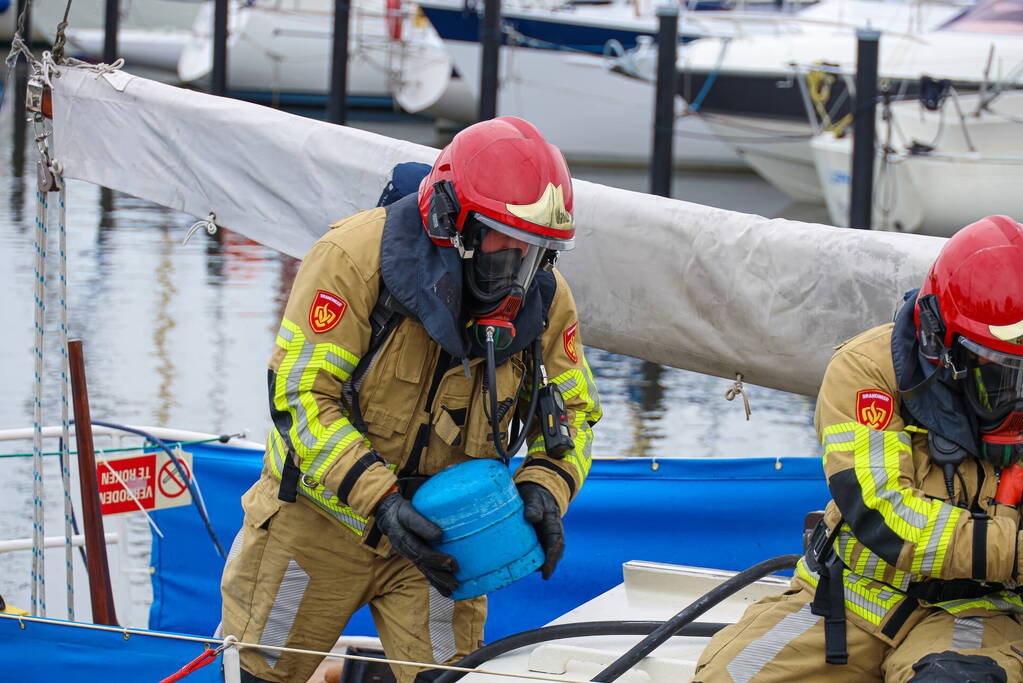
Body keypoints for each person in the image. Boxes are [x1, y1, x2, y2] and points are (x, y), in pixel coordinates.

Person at [219, 116, 601, 683]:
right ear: (453, 223)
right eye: (506, 243)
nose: (521, 269)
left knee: (448, 679)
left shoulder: (545, 300)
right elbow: (301, 397)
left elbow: (575, 416)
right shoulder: (352, 258)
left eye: (539, 251)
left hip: (445, 544)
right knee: (262, 675)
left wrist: (547, 486)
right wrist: (380, 499)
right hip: (316, 530)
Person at [695, 215, 1023, 682]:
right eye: (1000, 373)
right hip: (849, 599)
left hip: (979, 610)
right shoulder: (868, 370)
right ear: (941, 344)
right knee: (733, 676)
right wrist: (1014, 551)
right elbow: (882, 510)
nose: (1016, 397)